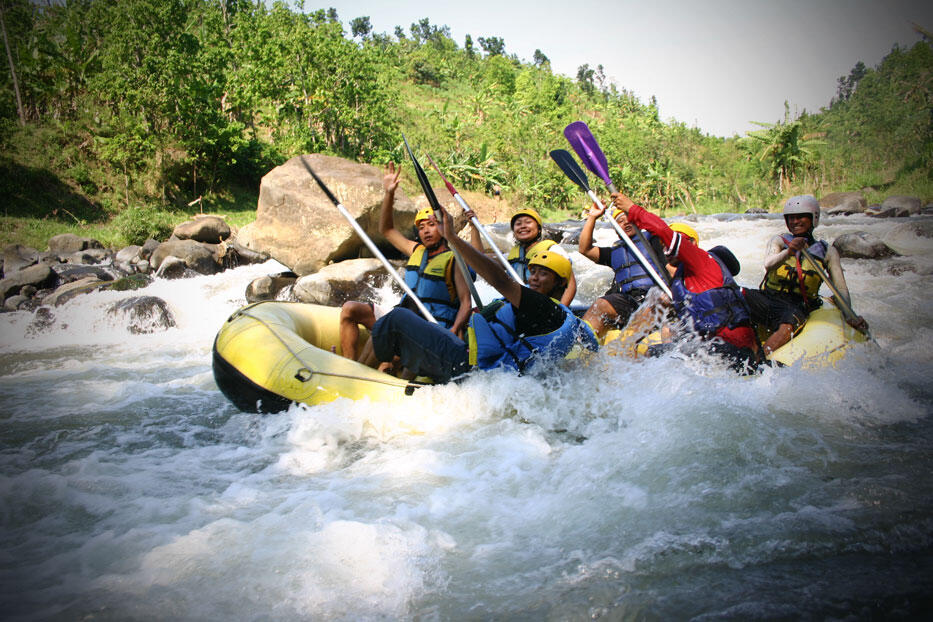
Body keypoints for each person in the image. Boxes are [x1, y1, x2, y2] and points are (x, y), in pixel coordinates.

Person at [370, 206, 598, 383]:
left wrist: (454, 239)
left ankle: (378, 368)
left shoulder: (537, 305)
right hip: (491, 373)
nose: (535, 278)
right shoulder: (569, 320)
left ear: (560, 283)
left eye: (544, 274)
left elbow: (498, 279)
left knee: (397, 318)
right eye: (534, 272)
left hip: (467, 369)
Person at [610, 192, 762, 373]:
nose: (665, 248)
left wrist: (632, 208)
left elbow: (662, 231)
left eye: (668, 244)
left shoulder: (700, 259)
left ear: (689, 244)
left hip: (732, 350)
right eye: (662, 245)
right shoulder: (684, 279)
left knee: (648, 355)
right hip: (715, 348)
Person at [339, 163, 472, 361]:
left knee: (389, 325)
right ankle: (349, 365)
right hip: (406, 315)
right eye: (421, 227)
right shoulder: (415, 250)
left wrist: (454, 329)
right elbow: (386, 230)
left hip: (432, 326)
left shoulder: (454, 260)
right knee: (350, 308)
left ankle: (363, 370)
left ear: (443, 228)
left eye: (432, 225)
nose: (426, 231)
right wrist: (389, 194)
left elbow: (466, 303)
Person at [743, 194, 868, 355]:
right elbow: (768, 264)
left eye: (801, 217)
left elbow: (840, 289)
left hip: (796, 305)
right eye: (791, 218)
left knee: (788, 325)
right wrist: (789, 252)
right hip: (768, 296)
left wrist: (849, 315)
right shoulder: (779, 241)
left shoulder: (827, 252)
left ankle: (760, 359)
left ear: (813, 218)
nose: (795, 221)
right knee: (734, 295)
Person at [577, 202, 667, 338]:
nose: (626, 223)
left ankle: (629, 344)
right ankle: (582, 346)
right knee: (600, 304)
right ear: (615, 228)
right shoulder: (614, 252)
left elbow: (663, 229)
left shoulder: (654, 240)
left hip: (656, 298)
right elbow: (585, 249)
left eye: (629, 218)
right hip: (628, 302)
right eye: (620, 221)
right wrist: (592, 217)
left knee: (654, 301)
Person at [483, 207, 577, 306]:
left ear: (539, 228)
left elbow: (571, 286)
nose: (523, 226)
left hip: (546, 306)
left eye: (528, 222)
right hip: (519, 304)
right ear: (514, 231)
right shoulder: (511, 255)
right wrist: (473, 228)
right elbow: (481, 260)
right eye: (518, 224)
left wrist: (560, 310)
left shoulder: (553, 250)